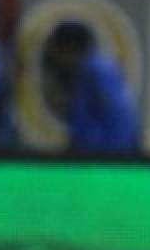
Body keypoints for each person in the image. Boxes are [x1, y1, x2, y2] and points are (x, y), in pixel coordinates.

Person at [41, 21, 139, 154]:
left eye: (58, 50)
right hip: (100, 157)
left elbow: (121, 122)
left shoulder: (98, 71)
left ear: (71, 47)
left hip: (106, 159)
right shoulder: (90, 70)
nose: (56, 58)